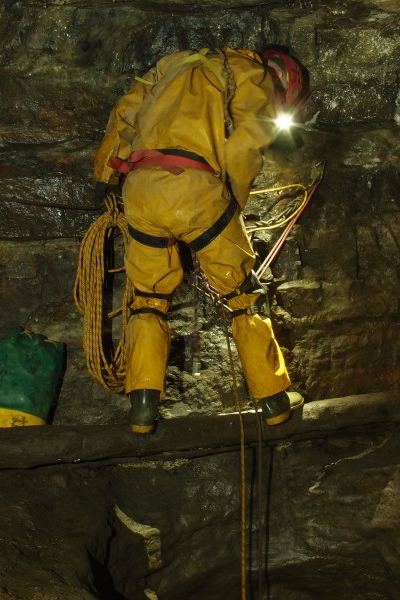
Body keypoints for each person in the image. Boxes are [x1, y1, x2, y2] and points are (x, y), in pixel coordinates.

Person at [92, 47, 308, 433]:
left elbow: (125, 111)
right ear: (286, 83)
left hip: (140, 189)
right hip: (194, 186)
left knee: (148, 298)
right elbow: (245, 144)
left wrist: (104, 175)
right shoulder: (249, 71)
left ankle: (142, 408)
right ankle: (273, 399)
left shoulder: (171, 63)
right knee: (243, 291)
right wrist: (232, 204)